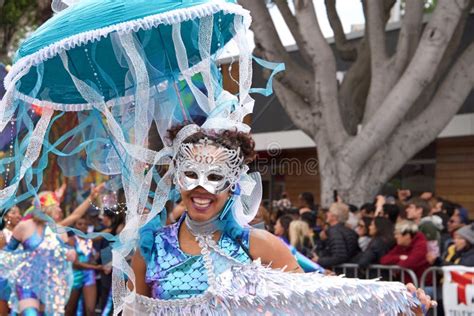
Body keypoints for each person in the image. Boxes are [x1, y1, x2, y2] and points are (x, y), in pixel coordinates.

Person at [65, 217, 104, 316]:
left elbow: (90, 260)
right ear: (74, 226)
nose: (83, 226)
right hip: (75, 275)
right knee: (70, 308)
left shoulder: (89, 241)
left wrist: (94, 258)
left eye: (85, 224)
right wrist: (97, 267)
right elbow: (76, 263)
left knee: (91, 310)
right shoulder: (71, 240)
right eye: (80, 224)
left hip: (89, 275)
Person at [313, 202, 360, 268]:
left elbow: (339, 256)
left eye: (329, 212)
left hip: (340, 272)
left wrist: (319, 260)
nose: (327, 214)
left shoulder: (334, 231)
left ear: (334, 216)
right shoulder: (349, 230)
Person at [0, 206, 22, 315]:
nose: (18, 215)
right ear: (5, 217)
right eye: (14, 213)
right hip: (5, 279)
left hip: (22, 278)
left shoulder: (24, 234)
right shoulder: (2, 235)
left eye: (19, 213)